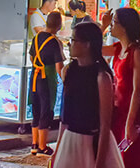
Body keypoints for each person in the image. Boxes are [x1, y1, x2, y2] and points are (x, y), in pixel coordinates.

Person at [52, 22, 122, 168]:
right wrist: (57, 150)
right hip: (70, 140)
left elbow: (105, 124)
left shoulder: (102, 77)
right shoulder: (68, 71)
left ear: (87, 44)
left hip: (92, 141)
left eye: (73, 40)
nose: (69, 44)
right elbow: (65, 117)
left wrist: (100, 161)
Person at [108, 7, 140, 168]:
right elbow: (92, 49)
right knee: (117, 157)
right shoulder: (118, 49)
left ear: (124, 26)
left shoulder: (137, 51)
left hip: (133, 113)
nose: (111, 26)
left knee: (133, 158)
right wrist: (102, 25)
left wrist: (130, 122)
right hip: (119, 111)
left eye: (114, 22)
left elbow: (138, 90)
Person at [28, 11, 65, 156]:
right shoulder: (55, 42)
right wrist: (65, 79)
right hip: (46, 78)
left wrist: (38, 66)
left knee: (35, 109)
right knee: (46, 110)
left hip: (34, 76)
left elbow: (32, 58)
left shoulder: (37, 37)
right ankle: (43, 146)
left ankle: (34, 144)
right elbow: (59, 67)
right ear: (59, 25)